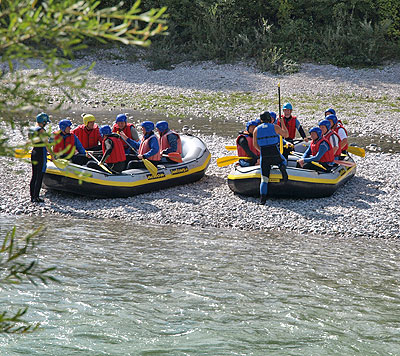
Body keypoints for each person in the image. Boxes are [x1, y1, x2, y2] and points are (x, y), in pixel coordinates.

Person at [253, 111, 289, 205]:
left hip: (264, 154)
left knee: (264, 179)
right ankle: (282, 167)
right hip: (274, 152)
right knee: (283, 161)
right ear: (269, 119)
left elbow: (255, 144)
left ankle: (262, 199)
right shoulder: (275, 127)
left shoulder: (256, 130)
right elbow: (286, 135)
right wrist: (283, 124)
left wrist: (261, 151)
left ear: (261, 120)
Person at [29, 112, 51, 203]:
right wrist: (52, 155)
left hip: (34, 152)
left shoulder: (32, 129)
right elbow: (46, 145)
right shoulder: (42, 131)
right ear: (44, 121)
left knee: (34, 175)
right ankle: (36, 197)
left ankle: (32, 196)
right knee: (40, 175)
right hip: (41, 154)